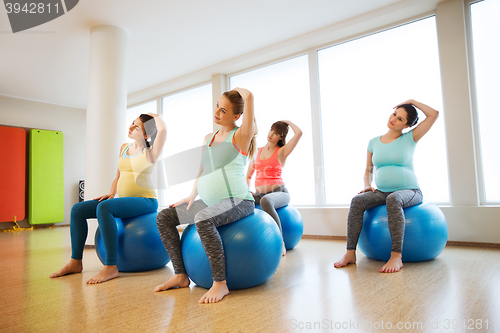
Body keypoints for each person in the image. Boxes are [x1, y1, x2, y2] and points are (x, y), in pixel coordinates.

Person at [154, 87, 257, 303]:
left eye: (224, 110)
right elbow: (202, 169)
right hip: (209, 202)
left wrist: (246, 95)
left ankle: (220, 283)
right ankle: (181, 275)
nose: (217, 112)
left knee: (203, 219)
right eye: (217, 107)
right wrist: (191, 196)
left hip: (238, 201)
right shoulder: (208, 138)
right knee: (164, 217)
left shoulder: (240, 135)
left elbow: (249, 105)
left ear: (237, 116)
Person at [50, 113, 166, 284]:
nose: (130, 128)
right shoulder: (124, 147)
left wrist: (153, 115)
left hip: (145, 200)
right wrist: (111, 194)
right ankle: (76, 262)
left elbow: (163, 129)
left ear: (146, 134)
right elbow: (118, 176)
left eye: (136, 126)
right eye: (131, 124)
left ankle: (111, 266)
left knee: (105, 208)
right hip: (125, 201)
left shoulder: (150, 152)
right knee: (78, 209)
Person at [334, 99, 439, 273]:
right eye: (395, 114)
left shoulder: (410, 138)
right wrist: (367, 185)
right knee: (357, 200)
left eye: (400, 119)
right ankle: (350, 253)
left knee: (394, 198)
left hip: (410, 191)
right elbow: (368, 169)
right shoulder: (373, 142)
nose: (394, 119)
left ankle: (396, 256)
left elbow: (433, 114)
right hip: (382, 192)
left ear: (406, 126)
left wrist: (412, 101)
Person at [246, 120, 302, 255]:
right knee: (242, 202)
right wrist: (247, 192)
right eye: (272, 130)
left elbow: (299, 133)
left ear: (281, 138)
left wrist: (287, 122)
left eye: (276, 133)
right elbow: (248, 176)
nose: (271, 134)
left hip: (280, 193)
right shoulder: (257, 152)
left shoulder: (282, 152)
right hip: (259, 195)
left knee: (266, 201)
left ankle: (280, 242)